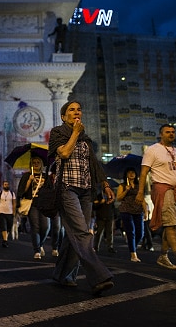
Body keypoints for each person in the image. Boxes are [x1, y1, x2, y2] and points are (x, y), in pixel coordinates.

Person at [49, 101, 115, 296]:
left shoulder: (86, 139)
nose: (76, 112)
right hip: (66, 188)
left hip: (86, 190)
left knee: (74, 236)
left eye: (79, 109)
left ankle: (62, 274)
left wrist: (105, 185)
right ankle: (99, 276)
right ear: (63, 116)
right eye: (71, 110)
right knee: (82, 232)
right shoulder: (57, 133)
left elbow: (94, 164)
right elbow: (64, 152)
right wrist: (76, 133)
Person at [136, 124, 176, 273]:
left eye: (173, 132)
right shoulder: (153, 150)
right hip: (163, 190)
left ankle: (163, 256)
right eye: (168, 132)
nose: (171, 134)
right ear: (161, 134)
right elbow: (143, 173)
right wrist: (140, 192)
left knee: (171, 225)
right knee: (171, 225)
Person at [17, 155, 50, 259]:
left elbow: (51, 190)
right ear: (31, 164)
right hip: (32, 205)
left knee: (46, 227)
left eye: (38, 162)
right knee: (35, 227)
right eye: (34, 162)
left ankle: (40, 245)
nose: (36, 164)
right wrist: (29, 181)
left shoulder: (46, 176)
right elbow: (22, 192)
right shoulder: (27, 176)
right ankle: (37, 250)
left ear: (41, 164)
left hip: (44, 204)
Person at [117, 167, 148, 262]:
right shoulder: (122, 185)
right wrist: (126, 190)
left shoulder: (139, 186)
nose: (131, 174)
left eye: (133, 172)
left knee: (140, 233)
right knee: (131, 232)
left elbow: (142, 199)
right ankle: (133, 254)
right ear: (126, 174)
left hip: (138, 211)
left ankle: (132, 246)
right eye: (129, 172)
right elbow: (118, 198)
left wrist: (146, 211)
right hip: (126, 210)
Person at [0, 180, 16, 248]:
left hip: (10, 213)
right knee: (3, 226)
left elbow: (14, 203)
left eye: (7, 184)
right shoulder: (0, 193)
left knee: (8, 227)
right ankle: (5, 240)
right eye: (5, 184)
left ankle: (5, 239)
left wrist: (14, 212)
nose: (6, 185)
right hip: (2, 212)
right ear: (3, 185)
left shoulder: (12, 193)